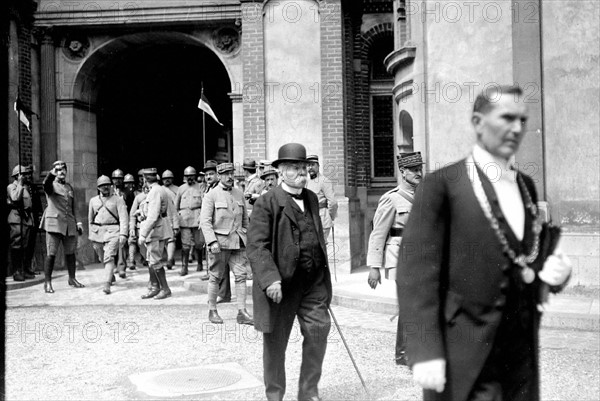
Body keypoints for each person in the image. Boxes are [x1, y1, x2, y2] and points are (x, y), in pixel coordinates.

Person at [397, 85, 572, 401]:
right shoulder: (441, 186)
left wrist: (555, 273)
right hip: (464, 356)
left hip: (521, 353)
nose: (517, 128)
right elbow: (415, 276)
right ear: (478, 122)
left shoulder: (526, 186)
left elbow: (524, 255)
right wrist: (425, 351)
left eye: (522, 119)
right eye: (506, 118)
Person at [247, 143, 332, 401]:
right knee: (275, 345)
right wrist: (270, 279)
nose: (303, 174)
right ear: (281, 172)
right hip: (280, 287)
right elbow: (256, 246)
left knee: (319, 331)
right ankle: (275, 395)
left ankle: (308, 392)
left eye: (304, 168)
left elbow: (315, 235)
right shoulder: (266, 203)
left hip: (312, 284)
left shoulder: (312, 198)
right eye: (295, 168)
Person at [366, 151, 424, 365]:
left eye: (420, 168)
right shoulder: (391, 199)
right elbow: (378, 233)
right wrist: (374, 266)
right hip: (399, 257)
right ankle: (403, 353)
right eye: (413, 170)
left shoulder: (424, 195)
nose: (419, 173)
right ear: (402, 172)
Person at [199, 162, 253, 325]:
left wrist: (247, 238)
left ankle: (242, 312)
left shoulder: (239, 193)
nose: (229, 177)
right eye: (225, 174)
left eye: (231, 173)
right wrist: (212, 241)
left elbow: (245, 221)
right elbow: (205, 221)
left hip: (238, 243)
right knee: (215, 277)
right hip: (219, 244)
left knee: (241, 277)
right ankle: (212, 310)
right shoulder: (211, 195)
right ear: (219, 175)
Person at [40, 160, 85, 293]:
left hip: (69, 225)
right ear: (54, 171)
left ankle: (72, 278)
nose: (61, 172)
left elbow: (73, 206)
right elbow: (46, 185)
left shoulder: (69, 187)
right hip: (54, 224)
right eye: (58, 169)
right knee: (51, 254)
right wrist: (50, 175)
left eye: (63, 169)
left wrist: (79, 222)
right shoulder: (51, 185)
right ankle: (47, 282)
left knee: (71, 253)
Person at [88, 175, 129, 294]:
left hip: (113, 231)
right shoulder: (93, 201)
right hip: (97, 232)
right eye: (102, 186)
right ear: (98, 187)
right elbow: (90, 219)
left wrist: (123, 234)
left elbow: (123, 218)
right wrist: (91, 234)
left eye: (107, 185)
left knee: (109, 256)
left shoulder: (118, 199)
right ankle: (110, 274)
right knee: (102, 257)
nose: (105, 188)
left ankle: (107, 284)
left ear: (111, 186)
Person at [138, 168, 174, 300]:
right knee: (151, 260)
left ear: (145, 179)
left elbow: (153, 216)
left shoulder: (154, 192)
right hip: (157, 229)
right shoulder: (159, 189)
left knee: (155, 261)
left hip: (155, 230)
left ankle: (165, 289)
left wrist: (142, 234)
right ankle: (154, 287)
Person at [7, 165, 36, 281]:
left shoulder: (25, 187)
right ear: (17, 176)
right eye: (23, 174)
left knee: (25, 246)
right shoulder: (12, 186)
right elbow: (14, 198)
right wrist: (19, 184)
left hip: (26, 219)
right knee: (17, 246)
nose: (26, 176)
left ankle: (24, 269)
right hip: (16, 219)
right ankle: (17, 271)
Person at [175, 166, 205, 276]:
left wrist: (202, 216)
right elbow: (176, 205)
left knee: (199, 243)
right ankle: (184, 267)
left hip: (197, 218)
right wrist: (177, 219)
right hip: (184, 219)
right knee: (185, 244)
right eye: (187, 176)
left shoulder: (200, 187)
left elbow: (205, 203)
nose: (190, 178)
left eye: (191, 176)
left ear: (195, 176)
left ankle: (200, 263)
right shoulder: (181, 188)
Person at [305, 155, 338, 244]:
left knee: (321, 247)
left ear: (318, 166)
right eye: (308, 165)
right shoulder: (306, 182)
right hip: (310, 220)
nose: (310, 168)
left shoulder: (324, 181)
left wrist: (330, 217)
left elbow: (333, 202)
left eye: (313, 165)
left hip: (322, 219)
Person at [162, 169, 179, 270]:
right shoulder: (159, 190)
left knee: (171, 239)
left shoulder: (177, 189)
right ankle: (169, 258)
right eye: (165, 179)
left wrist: (176, 224)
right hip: (162, 218)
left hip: (173, 217)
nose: (167, 180)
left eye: (169, 178)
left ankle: (170, 259)